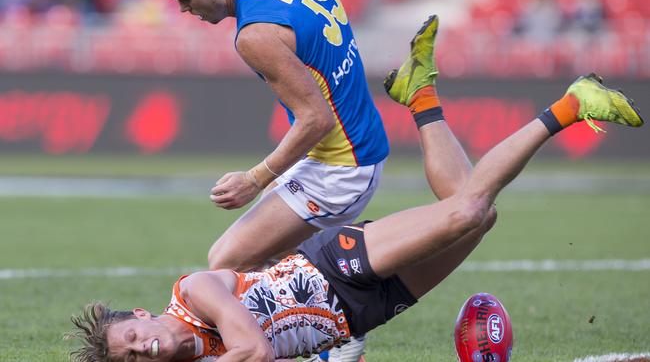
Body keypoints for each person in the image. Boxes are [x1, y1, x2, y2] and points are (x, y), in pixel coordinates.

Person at [68, 54, 643, 361]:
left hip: (336, 266)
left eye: (132, 342)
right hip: (362, 313)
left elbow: (255, 348)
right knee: (478, 215)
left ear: (141, 317)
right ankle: (420, 97)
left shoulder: (192, 291)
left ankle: (570, 105)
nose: (143, 352)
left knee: (467, 211)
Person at [152, 0, 482, 361]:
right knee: (263, 265)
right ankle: (329, 338)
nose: (184, 10)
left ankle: (340, 338)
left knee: (226, 262)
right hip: (351, 150)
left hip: (339, 167)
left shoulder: (255, 35)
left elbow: (315, 119)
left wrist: (254, 178)